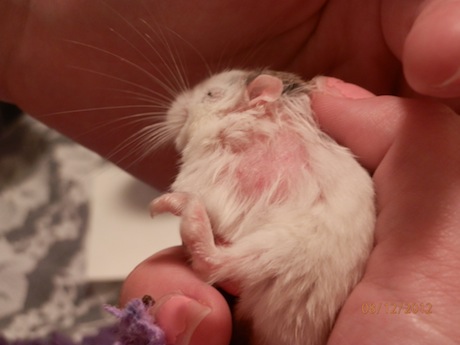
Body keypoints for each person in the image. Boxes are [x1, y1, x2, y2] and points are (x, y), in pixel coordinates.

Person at [1, 1, 459, 344]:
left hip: (303, 267)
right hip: (296, 284)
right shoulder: (257, 140)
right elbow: (224, 197)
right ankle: (221, 262)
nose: (186, 106)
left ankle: (219, 262)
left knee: (293, 247)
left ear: (261, 97)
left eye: (210, 96)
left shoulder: (281, 122)